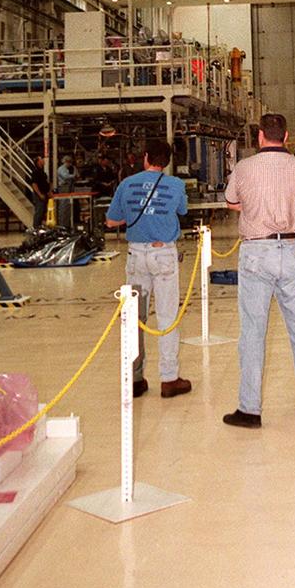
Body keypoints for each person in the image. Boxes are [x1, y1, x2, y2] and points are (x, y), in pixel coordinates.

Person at [222, 112, 295, 428]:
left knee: (253, 329)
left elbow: (232, 202)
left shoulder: (244, 168)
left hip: (257, 252)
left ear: (260, 137)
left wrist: (255, 205)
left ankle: (249, 409)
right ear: (286, 135)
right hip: (293, 250)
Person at [106, 138, 191, 400]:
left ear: (145, 157)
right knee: (166, 316)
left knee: (134, 319)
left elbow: (111, 221)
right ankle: (169, 379)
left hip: (136, 256)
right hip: (163, 254)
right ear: (166, 162)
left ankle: (135, 378)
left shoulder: (126, 184)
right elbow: (182, 210)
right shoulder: (176, 185)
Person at [28, 153, 50, 229]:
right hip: (39, 195)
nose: (43, 160)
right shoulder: (35, 172)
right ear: (38, 162)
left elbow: (45, 183)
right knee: (39, 212)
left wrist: (48, 192)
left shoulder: (42, 172)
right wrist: (39, 194)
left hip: (44, 193)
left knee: (43, 212)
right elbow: (34, 184)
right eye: (41, 159)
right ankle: (36, 228)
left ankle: (40, 227)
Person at [56, 153, 77, 228]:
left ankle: (67, 223)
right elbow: (65, 177)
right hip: (63, 188)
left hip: (68, 187)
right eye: (69, 162)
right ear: (66, 162)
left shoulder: (66, 169)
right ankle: (62, 224)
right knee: (63, 206)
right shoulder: (61, 169)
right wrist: (74, 175)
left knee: (68, 206)